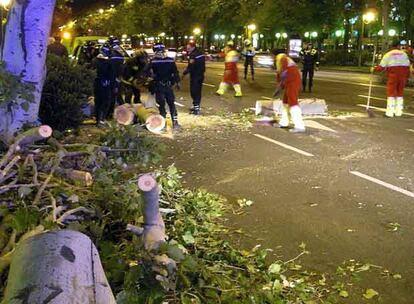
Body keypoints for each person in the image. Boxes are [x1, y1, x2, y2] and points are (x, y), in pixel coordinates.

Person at [145, 43, 181, 129]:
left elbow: (146, 72)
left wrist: (151, 78)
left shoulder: (153, 61)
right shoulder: (170, 60)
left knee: (161, 104)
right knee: (171, 103)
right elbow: (175, 72)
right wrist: (177, 82)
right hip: (168, 85)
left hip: (158, 85)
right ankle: (175, 122)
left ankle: (163, 122)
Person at [374, 40, 411, 117]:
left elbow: (381, 67)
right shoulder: (404, 54)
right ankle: (398, 112)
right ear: (398, 46)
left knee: (391, 94)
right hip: (402, 77)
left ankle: (390, 113)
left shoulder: (388, 54)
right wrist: (407, 77)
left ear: (391, 46)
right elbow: (408, 67)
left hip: (393, 76)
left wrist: (373, 69)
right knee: (400, 94)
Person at [273, 50, 306, 133]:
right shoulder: (284, 59)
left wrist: (279, 87)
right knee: (285, 102)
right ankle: (284, 122)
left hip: (293, 82)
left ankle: (299, 126)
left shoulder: (282, 59)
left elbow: (284, 74)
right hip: (290, 82)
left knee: (293, 103)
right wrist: (280, 86)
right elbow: (281, 74)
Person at [93, 45, 115, 127]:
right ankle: (101, 120)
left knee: (98, 102)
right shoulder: (108, 62)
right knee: (105, 102)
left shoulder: (94, 61)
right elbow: (111, 75)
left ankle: (97, 119)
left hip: (97, 84)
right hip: (105, 85)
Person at [183, 41, 206, 115]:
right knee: (198, 91)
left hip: (195, 75)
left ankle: (196, 107)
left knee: (194, 91)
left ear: (192, 47)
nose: (187, 49)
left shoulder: (193, 55)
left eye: (188, 48)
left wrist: (185, 73)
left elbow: (191, 66)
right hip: (201, 74)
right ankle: (196, 105)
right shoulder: (200, 53)